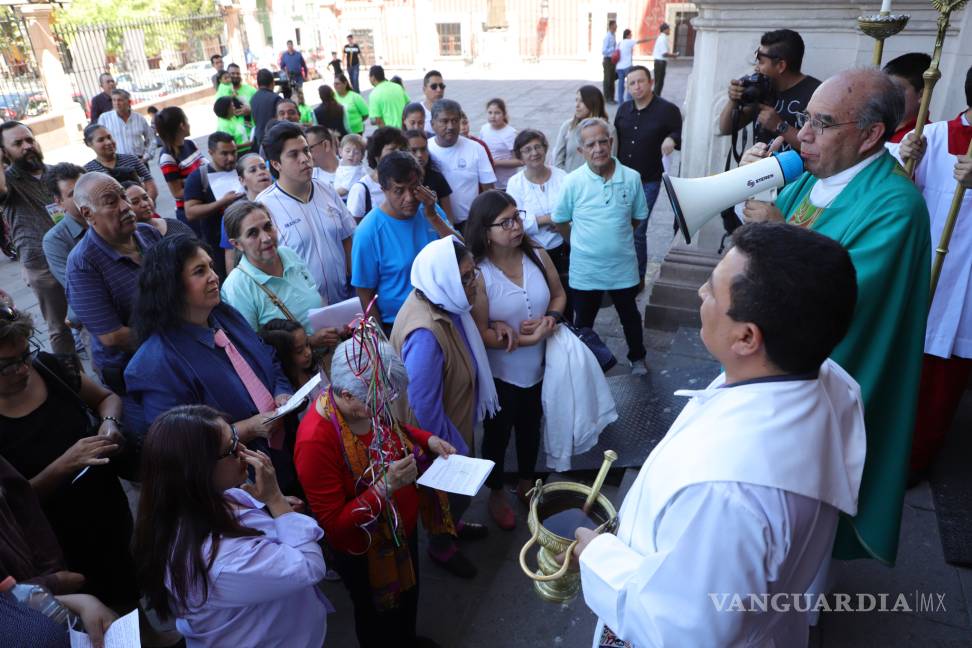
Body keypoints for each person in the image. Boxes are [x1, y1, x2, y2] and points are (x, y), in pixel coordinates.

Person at [575, 222, 865, 647]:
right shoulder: (836, 384)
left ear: (746, 337)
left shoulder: (726, 493)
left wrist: (596, 555)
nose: (699, 295)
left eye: (711, 289)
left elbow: (684, 630)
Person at [740, 68, 930, 565]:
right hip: (771, 371)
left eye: (822, 123)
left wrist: (779, 236)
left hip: (825, 386)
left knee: (801, 532)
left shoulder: (896, 207)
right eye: (806, 119)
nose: (802, 134)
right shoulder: (813, 175)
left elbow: (845, 301)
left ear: (870, 135)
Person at [295, 334, 454, 648]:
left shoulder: (366, 402)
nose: (384, 406)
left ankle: (406, 639)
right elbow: (334, 523)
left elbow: (397, 429)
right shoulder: (315, 440)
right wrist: (385, 487)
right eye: (375, 401)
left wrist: (426, 440)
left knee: (408, 597)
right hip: (365, 549)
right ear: (345, 395)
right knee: (376, 618)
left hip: (400, 530)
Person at [134, 405, 327, 648]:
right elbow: (309, 567)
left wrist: (275, 512)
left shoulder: (197, 503)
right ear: (198, 471)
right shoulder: (220, 560)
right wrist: (276, 500)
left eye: (237, 438)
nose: (244, 452)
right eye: (231, 449)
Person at [123, 236, 299, 489]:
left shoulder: (225, 315)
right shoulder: (154, 365)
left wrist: (281, 392)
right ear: (171, 285)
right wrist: (246, 429)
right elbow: (180, 445)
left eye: (211, 267)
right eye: (199, 271)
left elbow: (267, 357)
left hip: (285, 453)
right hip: (240, 484)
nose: (214, 276)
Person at [0, 305, 137, 610]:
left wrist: (109, 425)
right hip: (56, 538)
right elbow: (10, 506)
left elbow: (106, 399)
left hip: (106, 507)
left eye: (25, 355)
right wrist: (65, 463)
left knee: (128, 578)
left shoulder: (48, 366)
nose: (23, 369)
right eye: (8, 365)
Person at [390, 237, 498, 578]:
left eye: (472, 273)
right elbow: (424, 407)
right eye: (465, 277)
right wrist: (457, 452)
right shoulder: (425, 334)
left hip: (455, 420)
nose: (473, 284)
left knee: (452, 499)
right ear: (445, 279)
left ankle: (452, 527)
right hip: (441, 436)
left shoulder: (440, 300)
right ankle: (442, 545)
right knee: (443, 495)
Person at [467, 190, 566, 529]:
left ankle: (526, 483)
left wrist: (550, 318)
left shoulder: (537, 254)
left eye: (517, 217)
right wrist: (528, 337)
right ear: (486, 231)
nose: (515, 226)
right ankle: (495, 492)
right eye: (504, 222)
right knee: (497, 434)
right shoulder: (479, 274)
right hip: (501, 375)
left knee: (531, 427)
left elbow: (558, 294)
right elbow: (481, 333)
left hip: (540, 368)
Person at [894, 65, 972, 481]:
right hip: (924, 272)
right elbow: (895, 194)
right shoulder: (933, 137)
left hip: (968, 288)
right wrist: (905, 162)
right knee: (904, 366)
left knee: (944, 381)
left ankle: (915, 461)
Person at [553, 117, 650, 374]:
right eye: (590, 144)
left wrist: (617, 236)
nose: (598, 149)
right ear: (580, 151)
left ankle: (637, 356)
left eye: (602, 141)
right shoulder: (572, 182)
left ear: (611, 142)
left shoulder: (632, 178)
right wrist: (578, 242)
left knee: (630, 315)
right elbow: (561, 220)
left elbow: (638, 217)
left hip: (622, 265)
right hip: (586, 269)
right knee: (583, 320)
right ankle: (582, 363)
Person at [65, 172, 163, 391]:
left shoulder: (148, 234)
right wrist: (172, 334)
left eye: (123, 197)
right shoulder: (83, 263)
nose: (125, 206)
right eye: (111, 202)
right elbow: (112, 336)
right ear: (88, 214)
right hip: (132, 371)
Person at [352, 151, 458, 331]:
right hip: (399, 326)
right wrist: (383, 344)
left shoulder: (430, 210)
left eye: (414, 188)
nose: (409, 198)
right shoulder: (368, 233)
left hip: (444, 314)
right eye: (399, 191)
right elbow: (365, 294)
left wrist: (433, 216)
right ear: (383, 189)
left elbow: (460, 252)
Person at [221, 199, 341, 350]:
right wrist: (309, 342)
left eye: (268, 226)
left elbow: (315, 297)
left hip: (331, 354)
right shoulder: (237, 287)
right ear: (237, 244)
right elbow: (254, 348)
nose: (266, 238)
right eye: (253, 233)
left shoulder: (288, 254)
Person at [258, 122, 356, 305]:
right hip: (305, 314)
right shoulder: (264, 207)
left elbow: (347, 239)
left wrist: (357, 288)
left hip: (347, 301)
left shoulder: (327, 190)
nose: (304, 159)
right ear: (276, 164)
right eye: (293, 155)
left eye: (306, 150)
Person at [0, 121, 75, 355]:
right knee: (59, 327)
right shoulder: (9, 183)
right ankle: (74, 383)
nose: (27, 146)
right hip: (41, 266)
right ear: (4, 152)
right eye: (18, 143)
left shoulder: (57, 173)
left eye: (30, 140)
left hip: (75, 255)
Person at [615, 65, 682, 283]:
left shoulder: (667, 110)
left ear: (651, 82)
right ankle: (620, 272)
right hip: (621, 180)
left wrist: (672, 138)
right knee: (618, 227)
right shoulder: (623, 110)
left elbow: (680, 132)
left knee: (637, 230)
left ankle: (637, 278)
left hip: (648, 180)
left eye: (641, 81)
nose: (637, 86)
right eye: (631, 83)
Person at [717, 29, 821, 151]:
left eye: (761, 62)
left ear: (781, 66)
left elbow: (819, 148)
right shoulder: (763, 90)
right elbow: (725, 128)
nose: (756, 67)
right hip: (761, 169)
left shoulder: (817, 95)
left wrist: (780, 126)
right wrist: (734, 100)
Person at [506, 129, 570, 301]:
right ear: (520, 155)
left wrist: (563, 220)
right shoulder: (515, 183)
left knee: (567, 296)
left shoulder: (562, 177)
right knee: (540, 299)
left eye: (538, 147)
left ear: (545, 148)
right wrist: (552, 218)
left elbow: (573, 210)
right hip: (532, 251)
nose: (534, 153)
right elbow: (517, 221)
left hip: (562, 247)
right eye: (527, 150)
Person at [184, 132, 245, 279]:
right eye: (224, 153)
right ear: (211, 153)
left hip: (246, 239)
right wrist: (222, 202)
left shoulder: (242, 169)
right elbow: (190, 212)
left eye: (233, 152)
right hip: (215, 246)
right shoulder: (198, 177)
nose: (230, 158)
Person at [428, 100, 496, 229]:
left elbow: (489, 190)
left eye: (455, 121)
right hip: (434, 225)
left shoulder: (476, 148)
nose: (451, 126)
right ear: (433, 124)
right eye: (444, 121)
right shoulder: (424, 150)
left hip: (472, 223)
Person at [218, 152, 274, 273]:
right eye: (253, 170)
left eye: (263, 167)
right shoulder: (233, 214)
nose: (261, 172)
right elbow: (231, 256)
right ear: (242, 180)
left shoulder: (285, 200)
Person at [156, 107, 206, 228]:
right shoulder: (167, 157)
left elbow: (205, 167)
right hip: (190, 212)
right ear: (182, 125)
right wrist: (202, 187)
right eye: (187, 121)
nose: (189, 124)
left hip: (204, 205)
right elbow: (177, 192)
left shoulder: (190, 144)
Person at [41, 163, 88, 292]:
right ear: (59, 202)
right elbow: (78, 288)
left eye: (84, 188)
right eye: (72, 194)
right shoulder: (54, 240)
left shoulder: (110, 216)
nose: (82, 195)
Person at [82, 124, 157, 200]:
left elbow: (151, 187)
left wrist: (143, 205)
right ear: (88, 143)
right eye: (101, 140)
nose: (108, 142)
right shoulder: (87, 171)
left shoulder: (132, 159)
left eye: (109, 137)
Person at [347, 126, 409, 219]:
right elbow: (354, 227)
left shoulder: (409, 182)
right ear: (376, 154)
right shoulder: (361, 189)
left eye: (401, 150)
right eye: (392, 150)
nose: (399, 154)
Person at [553, 85, 617, 173]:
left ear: (593, 102)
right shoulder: (568, 126)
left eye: (582, 101)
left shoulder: (609, 129)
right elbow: (557, 161)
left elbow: (611, 159)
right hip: (570, 181)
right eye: (576, 100)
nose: (577, 105)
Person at [404, 129, 456, 224]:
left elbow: (449, 218)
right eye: (414, 150)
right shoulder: (399, 181)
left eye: (423, 149)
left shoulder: (437, 178)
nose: (419, 155)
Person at [97, 89, 155, 167]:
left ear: (128, 102)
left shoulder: (139, 118)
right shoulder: (104, 118)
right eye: (114, 100)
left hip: (139, 162)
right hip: (117, 164)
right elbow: (99, 141)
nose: (116, 103)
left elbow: (151, 139)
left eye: (120, 100)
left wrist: (146, 157)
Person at [883, 52, 933, 143]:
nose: (886, 95)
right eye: (884, 88)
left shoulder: (929, 137)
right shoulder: (873, 129)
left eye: (896, 90)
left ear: (922, 95)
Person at [258, 319, 316, 392]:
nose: (308, 352)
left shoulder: (315, 368)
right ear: (283, 356)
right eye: (299, 351)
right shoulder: (284, 390)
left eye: (307, 344)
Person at [122, 181, 195, 238]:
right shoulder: (133, 241)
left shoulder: (174, 224)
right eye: (135, 202)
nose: (145, 204)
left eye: (146, 198)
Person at [478, 98, 523, 190]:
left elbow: (520, 161)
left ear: (504, 114)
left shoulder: (511, 134)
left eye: (497, 113)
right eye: (490, 113)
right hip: (488, 182)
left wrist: (496, 163)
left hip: (506, 184)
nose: (493, 116)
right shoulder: (484, 129)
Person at [249, 69, 282, 151]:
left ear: (258, 83)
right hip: (274, 138)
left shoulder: (253, 98)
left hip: (260, 140)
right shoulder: (275, 98)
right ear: (272, 82)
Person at [615, 29, 650, 105]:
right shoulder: (629, 41)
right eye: (630, 35)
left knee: (620, 86)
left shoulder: (620, 43)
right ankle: (629, 102)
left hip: (619, 67)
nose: (631, 36)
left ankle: (620, 103)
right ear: (627, 35)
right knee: (631, 84)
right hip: (627, 66)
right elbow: (641, 41)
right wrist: (652, 38)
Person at [334, 132, 366, 197]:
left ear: (362, 156)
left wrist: (328, 194)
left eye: (356, 153)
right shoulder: (341, 162)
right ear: (340, 152)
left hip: (346, 199)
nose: (351, 155)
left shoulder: (356, 171)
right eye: (348, 151)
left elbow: (344, 190)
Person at [651, 22, 676, 97]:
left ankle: (656, 97)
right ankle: (655, 98)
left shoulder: (662, 37)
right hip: (660, 62)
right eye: (668, 29)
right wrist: (673, 55)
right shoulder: (663, 38)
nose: (670, 31)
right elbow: (664, 53)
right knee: (659, 83)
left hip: (660, 62)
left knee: (659, 82)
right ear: (665, 30)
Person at [602, 21, 618, 104]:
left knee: (612, 79)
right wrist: (613, 48)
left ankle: (612, 98)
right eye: (615, 25)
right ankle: (607, 98)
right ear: (611, 26)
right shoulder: (607, 37)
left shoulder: (613, 36)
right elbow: (604, 51)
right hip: (608, 60)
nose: (616, 27)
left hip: (612, 60)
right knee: (608, 79)